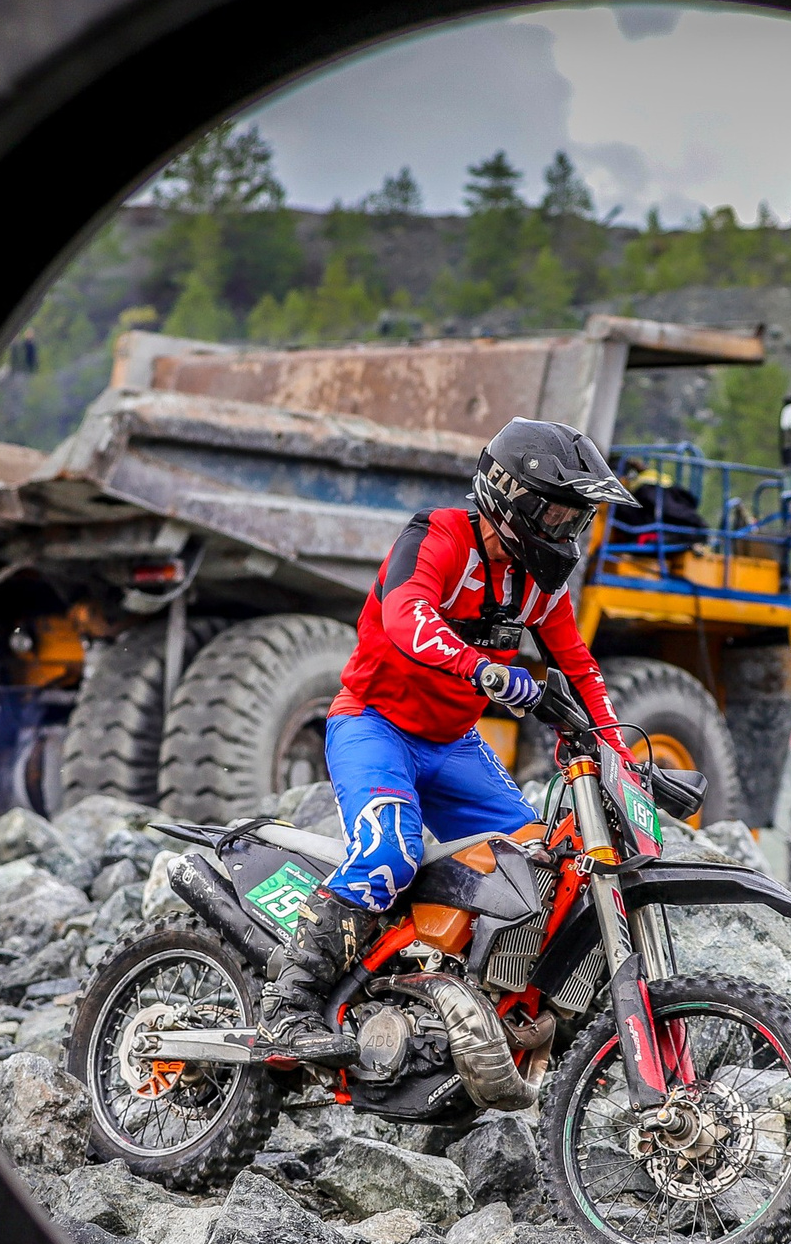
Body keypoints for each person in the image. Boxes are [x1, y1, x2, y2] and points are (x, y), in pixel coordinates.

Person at [255, 417, 641, 1064]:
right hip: (374, 724)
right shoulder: (436, 536)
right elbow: (406, 618)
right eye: (558, 515)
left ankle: (473, 1000)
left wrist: (620, 757)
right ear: (510, 499)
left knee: (536, 868)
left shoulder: (539, 589)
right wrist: (492, 673)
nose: (567, 533)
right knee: (389, 851)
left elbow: (579, 666)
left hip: (453, 742)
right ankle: (286, 1007)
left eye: (577, 520)